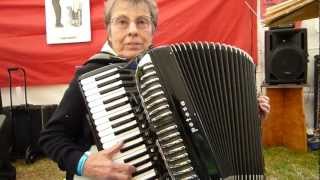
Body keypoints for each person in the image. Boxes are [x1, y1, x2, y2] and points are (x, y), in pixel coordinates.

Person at [39, 0, 270, 179]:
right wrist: (85, 164)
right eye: (122, 22)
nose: (133, 31)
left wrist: (247, 116)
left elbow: (202, 127)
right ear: (108, 30)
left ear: (153, 29)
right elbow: (51, 138)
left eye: (142, 22)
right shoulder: (91, 75)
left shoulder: (171, 69)